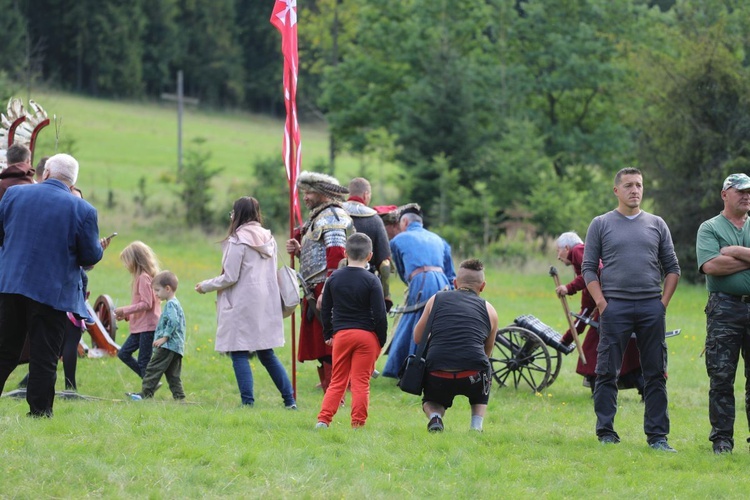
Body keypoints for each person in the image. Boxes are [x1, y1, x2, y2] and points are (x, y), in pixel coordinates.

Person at [0, 153, 106, 417]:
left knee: (4, 350)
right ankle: (39, 412)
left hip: (10, 285)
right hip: (52, 293)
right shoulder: (83, 210)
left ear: (45, 172)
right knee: (44, 356)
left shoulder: (14, 194)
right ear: (73, 183)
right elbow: (91, 255)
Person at [582, 167, 680, 452]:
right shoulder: (600, 224)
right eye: (628, 186)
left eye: (638, 185)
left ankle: (658, 437)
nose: (634, 190)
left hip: (651, 306)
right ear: (617, 190)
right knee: (606, 371)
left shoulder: (657, 224)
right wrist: (602, 304)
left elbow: (673, 268)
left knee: (655, 373)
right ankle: (606, 432)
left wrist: (662, 305)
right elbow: (588, 269)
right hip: (615, 307)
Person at [197, 197, 295, 408]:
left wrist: (205, 285)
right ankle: (290, 400)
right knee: (267, 353)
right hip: (266, 302)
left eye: (232, 212)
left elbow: (230, 276)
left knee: (239, 351)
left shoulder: (237, 241)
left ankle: (247, 403)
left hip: (242, 302)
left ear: (238, 214)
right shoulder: (269, 238)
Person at [696, 173, 750, 454]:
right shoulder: (710, 228)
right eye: (740, 191)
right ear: (724, 194)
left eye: (749, 191)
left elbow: (723, 261)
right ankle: (722, 440)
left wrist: (738, 251)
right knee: (721, 377)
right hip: (724, 308)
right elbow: (712, 268)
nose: (746, 195)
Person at [286, 171, 353, 392]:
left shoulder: (331, 217)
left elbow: (337, 255)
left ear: (323, 193)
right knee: (322, 345)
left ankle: (336, 391)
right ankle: (331, 389)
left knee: (331, 342)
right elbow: (319, 255)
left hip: (327, 287)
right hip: (317, 287)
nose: (305, 197)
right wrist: (299, 251)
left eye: (309, 192)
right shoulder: (319, 216)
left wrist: (329, 291)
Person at [414, 259, 498, 433]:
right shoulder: (490, 310)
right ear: (482, 286)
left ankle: (435, 417)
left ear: (455, 283)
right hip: (472, 375)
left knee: (431, 400)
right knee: (485, 369)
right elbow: (487, 352)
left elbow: (417, 338)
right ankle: (476, 426)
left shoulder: (435, 300)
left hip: (438, 372)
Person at [555, 231, 642, 396]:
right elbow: (587, 308)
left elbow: (592, 273)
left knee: (592, 348)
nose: (558, 256)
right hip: (613, 304)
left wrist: (568, 287)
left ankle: (601, 390)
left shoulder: (579, 250)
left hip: (610, 306)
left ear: (566, 247)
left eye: (558, 251)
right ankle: (633, 387)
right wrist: (567, 339)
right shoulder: (582, 257)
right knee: (627, 350)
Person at [316, 233, 388, 429]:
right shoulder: (372, 280)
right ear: (370, 256)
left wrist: (328, 334)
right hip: (366, 336)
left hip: (342, 335)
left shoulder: (333, 278)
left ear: (345, 254)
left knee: (337, 381)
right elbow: (380, 314)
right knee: (360, 383)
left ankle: (323, 420)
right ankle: (357, 424)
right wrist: (380, 340)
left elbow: (325, 308)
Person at [382, 203, 455, 378]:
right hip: (442, 282)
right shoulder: (439, 239)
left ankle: (409, 368)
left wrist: (412, 283)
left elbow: (401, 269)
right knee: (436, 321)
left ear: (405, 222)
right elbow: (450, 271)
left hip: (420, 281)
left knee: (416, 322)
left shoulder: (398, 240)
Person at [129, 271, 186, 401]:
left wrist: (164, 338)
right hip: (177, 347)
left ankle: (145, 394)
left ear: (167, 288)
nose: (155, 294)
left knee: (152, 368)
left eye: (157, 290)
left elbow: (173, 321)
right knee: (173, 375)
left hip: (167, 345)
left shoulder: (171, 304)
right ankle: (179, 397)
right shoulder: (176, 303)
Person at [342, 177, 393, 310]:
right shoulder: (375, 220)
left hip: (335, 282)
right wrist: (386, 296)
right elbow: (385, 265)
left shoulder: (335, 215)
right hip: (366, 283)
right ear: (366, 194)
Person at [115, 241, 161, 380]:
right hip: (140, 326)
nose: (126, 265)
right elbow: (141, 304)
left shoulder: (143, 278)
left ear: (136, 260)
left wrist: (125, 310)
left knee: (143, 361)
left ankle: (148, 388)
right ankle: (150, 383)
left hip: (148, 327)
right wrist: (127, 315)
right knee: (124, 353)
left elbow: (147, 304)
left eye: (127, 261)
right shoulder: (141, 278)